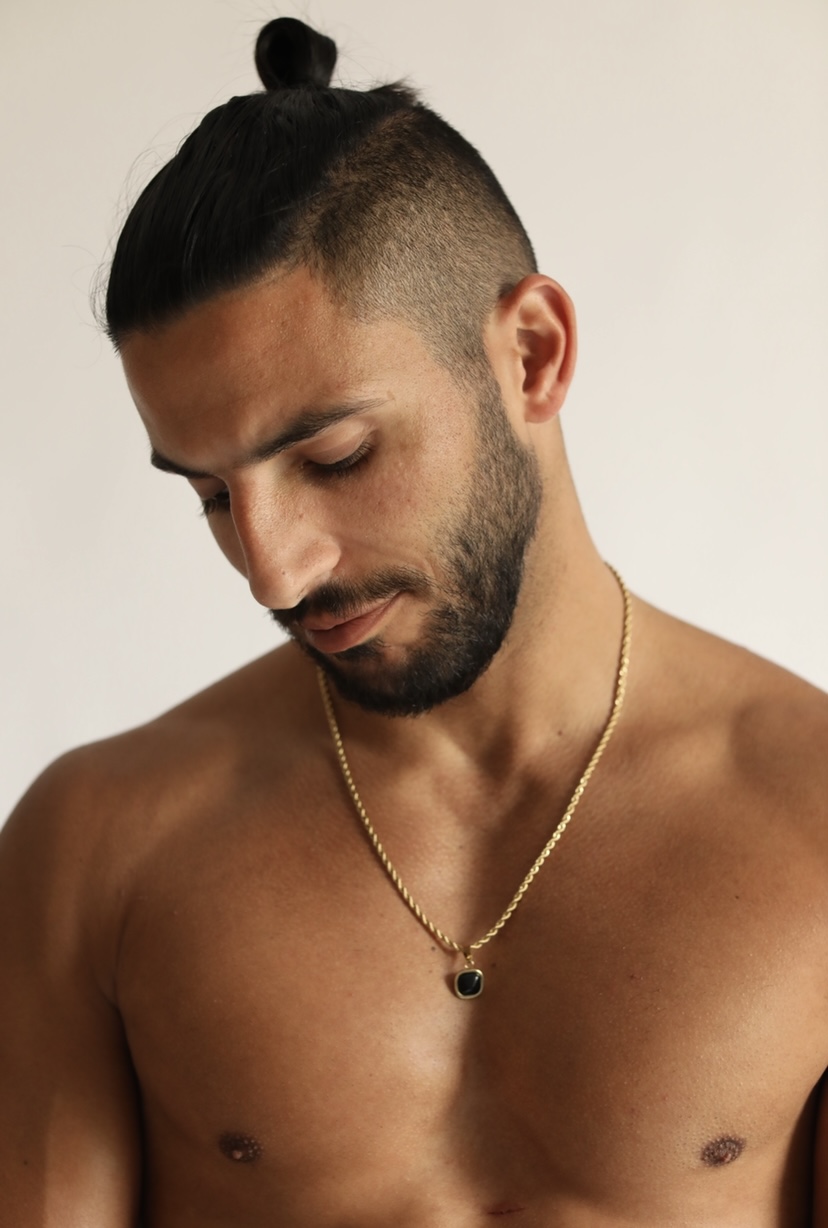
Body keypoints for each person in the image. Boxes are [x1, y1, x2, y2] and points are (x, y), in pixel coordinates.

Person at [1, 15, 826, 1226]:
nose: (274, 572)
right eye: (213, 495)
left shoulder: (812, 820)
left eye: (335, 455)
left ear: (531, 354)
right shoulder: (98, 849)